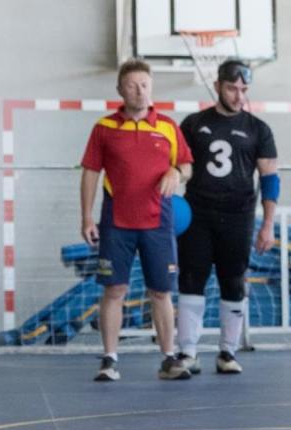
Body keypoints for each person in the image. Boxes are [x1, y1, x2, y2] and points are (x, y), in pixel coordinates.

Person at [79, 59, 193, 382]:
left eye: (144, 84)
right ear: (120, 90)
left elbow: (187, 167)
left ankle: (169, 359)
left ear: (151, 87)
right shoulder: (104, 128)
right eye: (132, 85)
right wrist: (87, 216)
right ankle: (109, 359)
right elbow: (90, 173)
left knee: (161, 292)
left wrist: (176, 172)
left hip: (158, 223)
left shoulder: (168, 127)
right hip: (116, 223)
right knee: (115, 290)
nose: (139, 91)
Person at [174, 60, 278, 375]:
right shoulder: (193, 124)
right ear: (218, 85)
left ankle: (228, 352)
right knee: (192, 278)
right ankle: (187, 351)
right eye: (232, 88)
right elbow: (177, 165)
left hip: (239, 215)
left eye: (243, 90)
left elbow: (270, 178)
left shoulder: (259, 129)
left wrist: (268, 224)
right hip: (198, 214)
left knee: (233, 280)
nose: (238, 96)